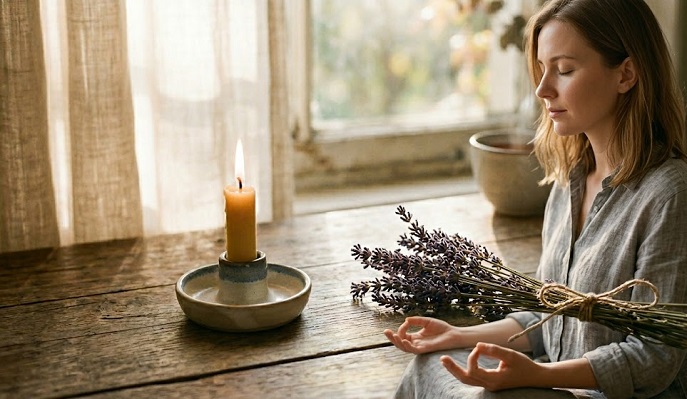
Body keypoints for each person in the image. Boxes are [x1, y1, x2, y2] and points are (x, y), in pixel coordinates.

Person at [385, 0, 687, 397]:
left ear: (626, 74)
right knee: (432, 363)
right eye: (542, 70)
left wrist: (538, 377)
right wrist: (457, 334)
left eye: (564, 70)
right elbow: (549, 316)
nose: (543, 89)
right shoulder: (570, 182)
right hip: (555, 381)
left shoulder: (670, 194)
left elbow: (654, 358)